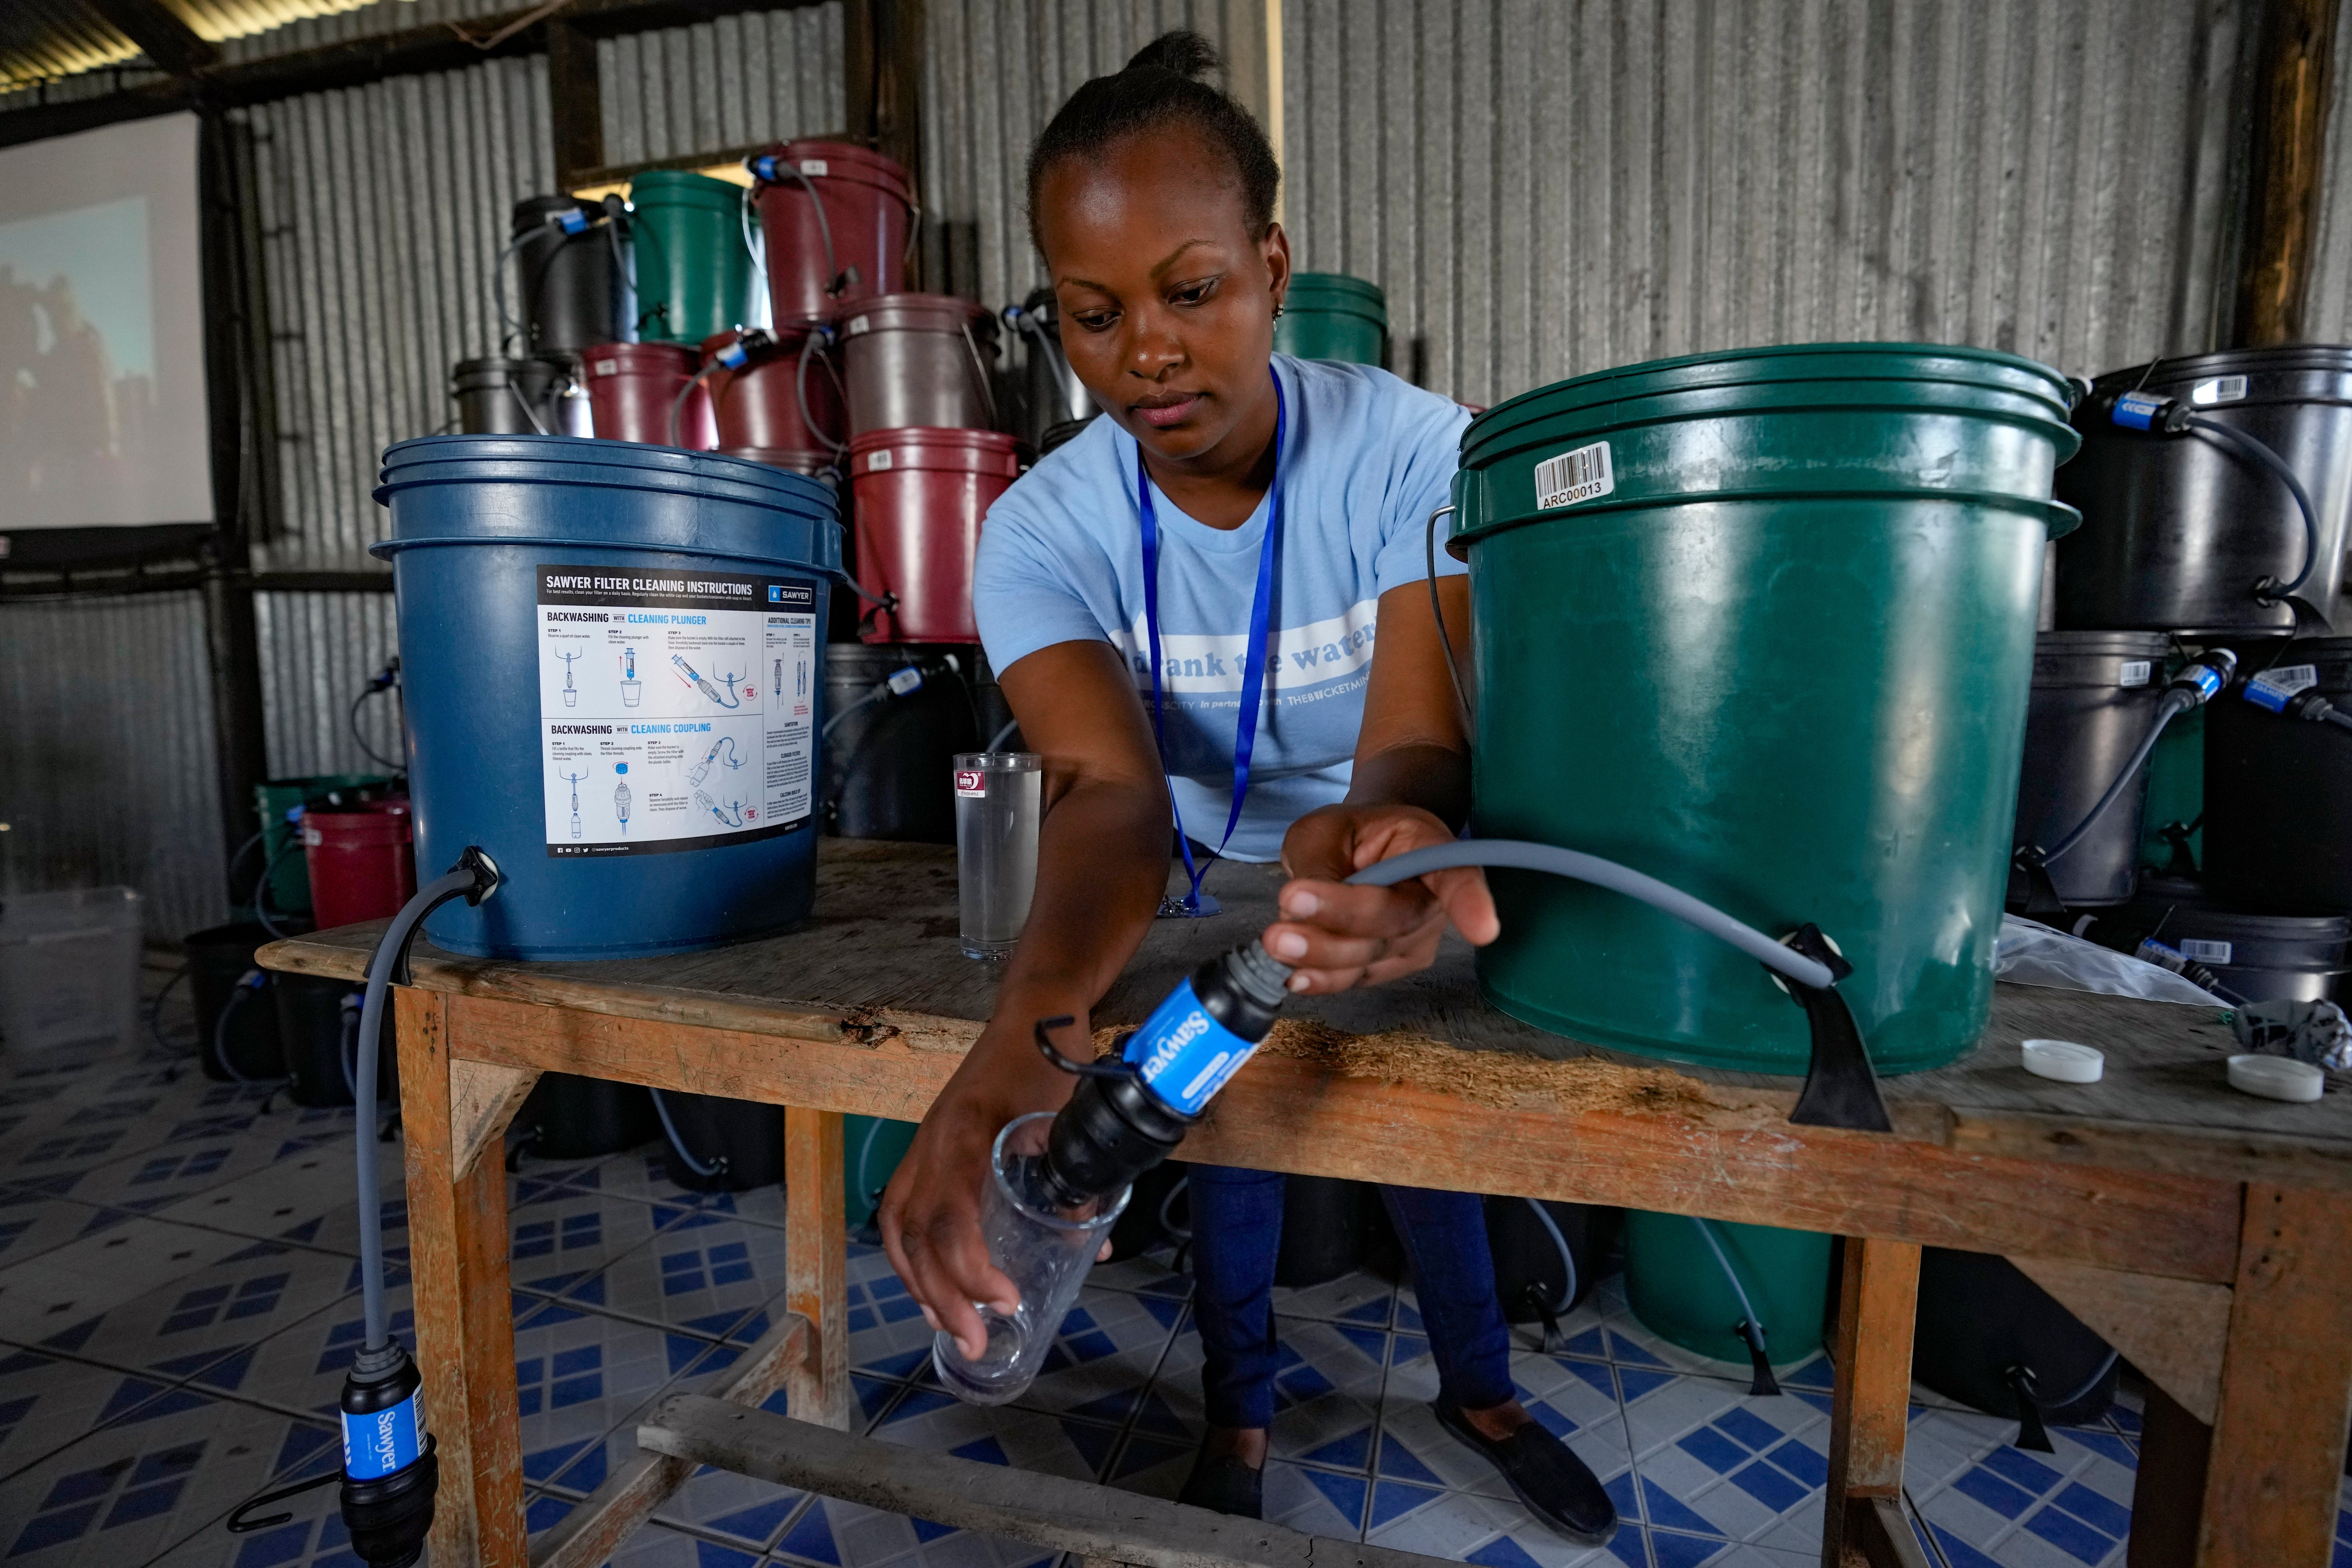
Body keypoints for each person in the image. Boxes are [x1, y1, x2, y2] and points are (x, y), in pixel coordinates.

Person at [876, 32, 1617, 1548]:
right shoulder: (1039, 532)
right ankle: (1242, 1407)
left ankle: (1484, 1391)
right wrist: (1010, 1061)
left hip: (1388, 874)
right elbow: (1106, 793)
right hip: (1193, 887)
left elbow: (1413, 748)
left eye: (1190, 291)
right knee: (1209, 1138)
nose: (1144, 350)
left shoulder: (1419, 455)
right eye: (1092, 314)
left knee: (1428, 1159)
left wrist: (1399, 838)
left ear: (1272, 267)